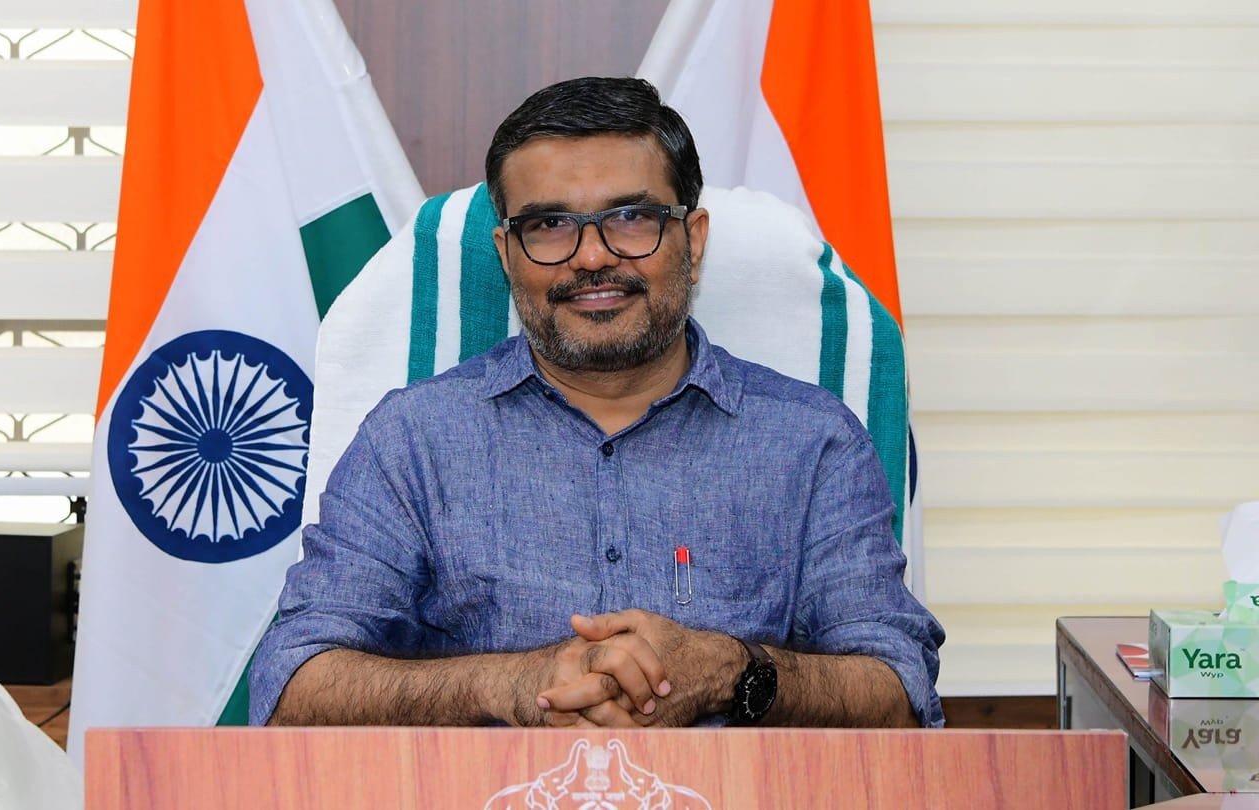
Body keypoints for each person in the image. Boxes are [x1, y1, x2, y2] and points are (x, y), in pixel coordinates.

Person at [251, 76, 944, 729]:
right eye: (549, 224)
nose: (590, 258)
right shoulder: (413, 440)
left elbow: (903, 693)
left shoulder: (812, 440)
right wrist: (507, 686)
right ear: (506, 253)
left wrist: (735, 674)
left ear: (693, 240)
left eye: (631, 218)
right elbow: (289, 687)